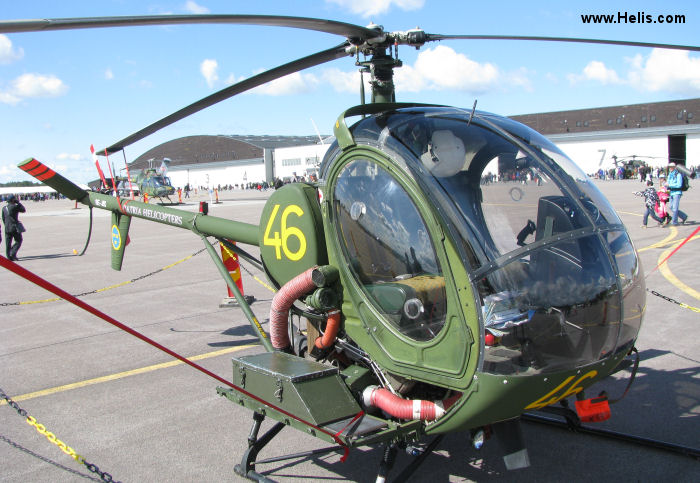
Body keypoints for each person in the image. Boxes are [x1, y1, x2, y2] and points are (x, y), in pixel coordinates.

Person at [2, 194, 26, 260]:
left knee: (8, 243)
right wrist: (18, 203)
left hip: (7, 228)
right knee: (19, 240)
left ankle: (8, 256)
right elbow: (23, 210)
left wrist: (7, 225)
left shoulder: (4, 208)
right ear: (13, 200)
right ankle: (13, 253)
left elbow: (3, 218)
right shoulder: (15, 207)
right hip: (14, 228)